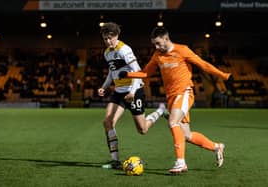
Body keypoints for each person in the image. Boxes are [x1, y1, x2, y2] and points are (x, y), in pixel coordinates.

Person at [119, 27, 233, 174]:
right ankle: (217, 147)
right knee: (186, 135)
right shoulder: (157, 55)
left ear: (166, 38)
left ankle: (181, 163)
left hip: (184, 92)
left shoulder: (182, 50)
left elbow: (203, 64)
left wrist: (223, 75)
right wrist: (128, 74)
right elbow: (146, 72)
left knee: (173, 122)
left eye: (158, 43)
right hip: (171, 97)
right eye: (154, 44)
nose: (156, 47)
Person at [98, 22, 167, 169]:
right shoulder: (107, 53)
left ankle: (161, 110)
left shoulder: (124, 49)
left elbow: (138, 71)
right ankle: (115, 161)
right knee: (107, 122)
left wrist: (133, 91)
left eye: (110, 38)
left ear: (117, 36)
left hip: (133, 91)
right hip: (118, 92)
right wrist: (104, 87)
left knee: (142, 130)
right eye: (105, 39)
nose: (108, 41)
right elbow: (112, 72)